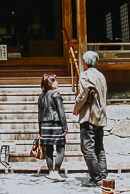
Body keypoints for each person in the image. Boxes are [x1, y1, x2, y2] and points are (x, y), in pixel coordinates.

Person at [73, 51, 108, 187]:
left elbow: (83, 94)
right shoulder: (101, 76)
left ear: (85, 62)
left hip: (89, 116)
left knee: (87, 148)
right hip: (101, 115)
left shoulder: (85, 75)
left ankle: (96, 178)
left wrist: (76, 107)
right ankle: (103, 175)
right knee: (99, 147)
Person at [38, 73, 68, 182]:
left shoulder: (41, 96)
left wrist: (40, 130)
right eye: (55, 81)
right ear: (50, 83)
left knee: (48, 149)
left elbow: (39, 114)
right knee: (60, 148)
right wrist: (65, 127)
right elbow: (61, 112)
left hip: (44, 125)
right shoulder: (56, 94)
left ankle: (50, 172)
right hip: (56, 124)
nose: (57, 82)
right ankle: (56, 172)